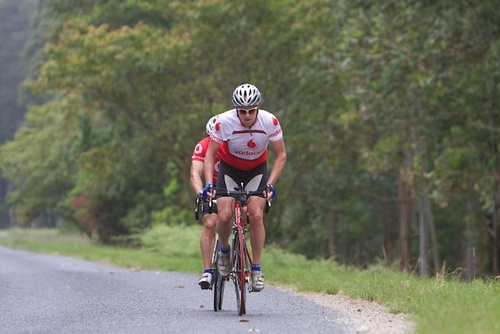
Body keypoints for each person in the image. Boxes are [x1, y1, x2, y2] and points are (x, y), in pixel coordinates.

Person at [203, 83, 287, 292]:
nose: (247, 115)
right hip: (229, 168)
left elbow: (281, 155)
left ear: (257, 108)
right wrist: (209, 184)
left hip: (256, 169)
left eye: (251, 110)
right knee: (223, 216)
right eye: (243, 111)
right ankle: (223, 251)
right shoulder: (224, 121)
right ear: (236, 110)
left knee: (256, 216)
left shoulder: (270, 121)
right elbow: (210, 155)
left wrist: (270, 185)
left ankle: (256, 269)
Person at [190, 115, 220, 289]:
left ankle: (239, 258)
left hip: (231, 185)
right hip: (212, 189)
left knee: (245, 215)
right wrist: (201, 193)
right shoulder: (203, 146)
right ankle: (207, 270)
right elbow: (195, 173)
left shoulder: (233, 145)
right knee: (210, 223)